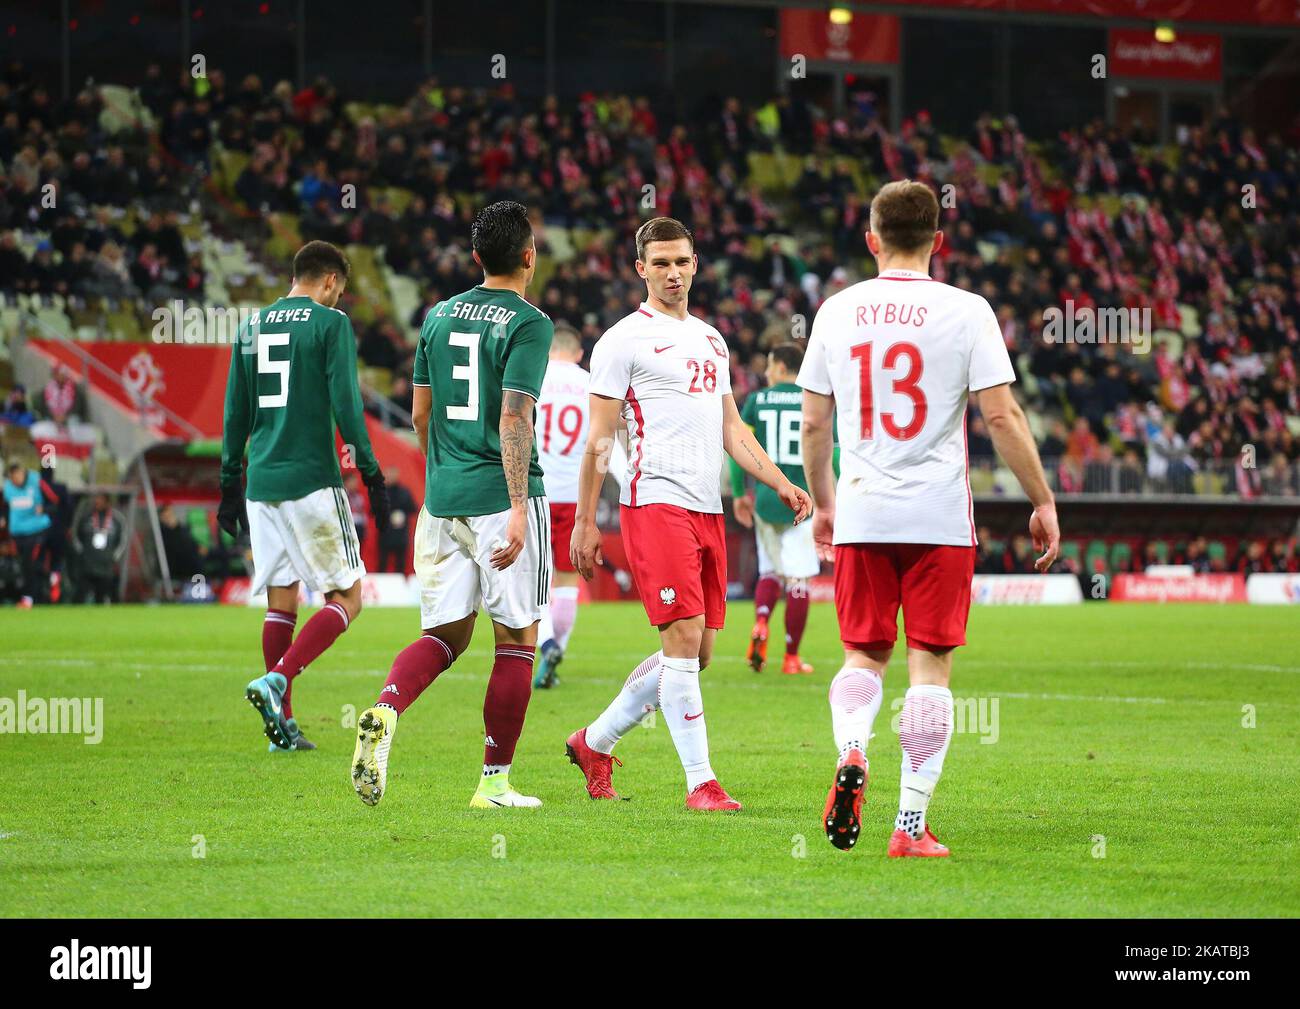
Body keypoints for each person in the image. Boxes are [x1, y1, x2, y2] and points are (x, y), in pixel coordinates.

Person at [800, 180, 1060, 857]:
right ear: (939, 241)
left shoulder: (836, 310)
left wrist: (825, 503)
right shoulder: (968, 310)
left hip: (862, 509)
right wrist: (1041, 498)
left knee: (862, 653)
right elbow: (1000, 415)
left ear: (871, 239)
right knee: (931, 665)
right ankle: (909, 825)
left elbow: (812, 422)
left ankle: (853, 751)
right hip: (939, 516)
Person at [565, 217, 812, 811]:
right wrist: (584, 519)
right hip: (654, 502)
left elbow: (732, 427)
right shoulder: (623, 340)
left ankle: (593, 741)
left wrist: (780, 481)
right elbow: (599, 437)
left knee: (697, 654)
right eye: (660, 263)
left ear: (696, 264)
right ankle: (701, 783)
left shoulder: (711, 340)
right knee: (680, 639)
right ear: (640, 269)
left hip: (707, 510)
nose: (673, 273)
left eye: (682, 262)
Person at [350, 200, 554, 810]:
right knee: (517, 640)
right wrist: (518, 506)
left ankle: (386, 708)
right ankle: (494, 784)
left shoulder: (437, 317)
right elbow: (514, 415)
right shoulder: (530, 323)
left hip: (442, 500)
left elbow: (419, 411)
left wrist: (442, 472)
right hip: (500, 496)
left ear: (474, 258)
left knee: (445, 636)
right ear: (528, 256)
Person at [219, 240, 390, 754]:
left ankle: (283, 728)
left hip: (261, 484)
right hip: (312, 480)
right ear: (332, 280)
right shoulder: (329, 324)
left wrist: (229, 481)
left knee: (281, 599)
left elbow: (235, 411)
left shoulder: (251, 327)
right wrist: (372, 472)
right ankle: (278, 680)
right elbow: (346, 403)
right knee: (348, 597)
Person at [532, 322, 627, 689]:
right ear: (577, 353)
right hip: (577, 497)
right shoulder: (589, 382)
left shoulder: (534, 377)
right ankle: (556, 655)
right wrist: (627, 476)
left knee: (534, 583)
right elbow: (606, 439)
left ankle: (547, 644)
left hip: (535, 491)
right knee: (569, 582)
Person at [729, 342, 829, 675]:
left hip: (767, 498)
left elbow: (737, 444)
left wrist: (741, 493)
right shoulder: (813, 399)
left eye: (770, 366)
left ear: (782, 368)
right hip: (802, 499)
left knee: (770, 570)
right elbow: (835, 450)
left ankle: (760, 622)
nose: (767, 372)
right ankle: (791, 656)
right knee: (798, 580)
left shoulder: (757, 400)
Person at [3, 461, 55, 607]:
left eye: (17, 475)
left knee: (29, 564)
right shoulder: (8, 488)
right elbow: (7, 508)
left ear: (23, 472)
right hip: (18, 534)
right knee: (28, 566)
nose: (15, 479)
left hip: (36, 531)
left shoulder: (37, 482)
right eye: (12, 477)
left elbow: (56, 502)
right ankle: (47, 583)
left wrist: (44, 509)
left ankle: (29, 598)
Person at [72, 493, 126, 603]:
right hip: (87, 564)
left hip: (106, 565)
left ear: (107, 502)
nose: (96, 502)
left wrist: (114, 556)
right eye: (95, 499)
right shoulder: (86, 517)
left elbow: (122, 540)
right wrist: (83, 553)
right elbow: (76, 536)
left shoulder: (117, 518)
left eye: (100, 500)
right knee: (80, 595)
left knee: (102, 595)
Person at [375, 468, 417, 573]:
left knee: (400, 562)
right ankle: (380, 585)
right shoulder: (381, 492)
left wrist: (402, 512)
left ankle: (401, 587)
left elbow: (413, 508)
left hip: (401, 534)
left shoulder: (404, 492)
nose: (390, 477)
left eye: (393, 474)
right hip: (385, 533)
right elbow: (373, 509)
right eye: (388, 474)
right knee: (382, 562)